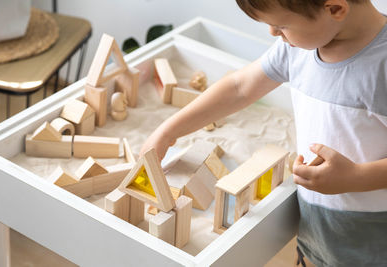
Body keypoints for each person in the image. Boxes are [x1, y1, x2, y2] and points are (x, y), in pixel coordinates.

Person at [140, 0, 387, 266]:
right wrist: (168, 131)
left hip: (371, 240)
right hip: (317, 236)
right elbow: (239, 87)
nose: (272, 34)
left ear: (335, 9)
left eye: (281, 26)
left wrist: (356, 178)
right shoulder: (298, 48)